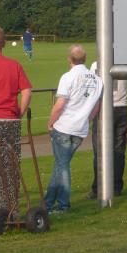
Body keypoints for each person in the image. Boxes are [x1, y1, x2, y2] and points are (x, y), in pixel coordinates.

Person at [45, 45, 103, 213]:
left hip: (64, 127)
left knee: (62, 166)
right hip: (80, 130)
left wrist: (51, 122)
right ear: (84, 59)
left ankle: (62, 204)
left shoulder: (68, 77)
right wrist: (85, 120)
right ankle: (48, 203)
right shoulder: (97, 80)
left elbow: (60, 105)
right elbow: (96, 108)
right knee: (60, 165)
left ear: (69, 59)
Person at [87, 61, 127, 199]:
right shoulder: (125, 64)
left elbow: (92, 87)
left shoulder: (96, 65)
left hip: (104, 109)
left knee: (99, 151)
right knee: (119, 150)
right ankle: (116, 186)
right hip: (121, 107)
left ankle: (98, 187)